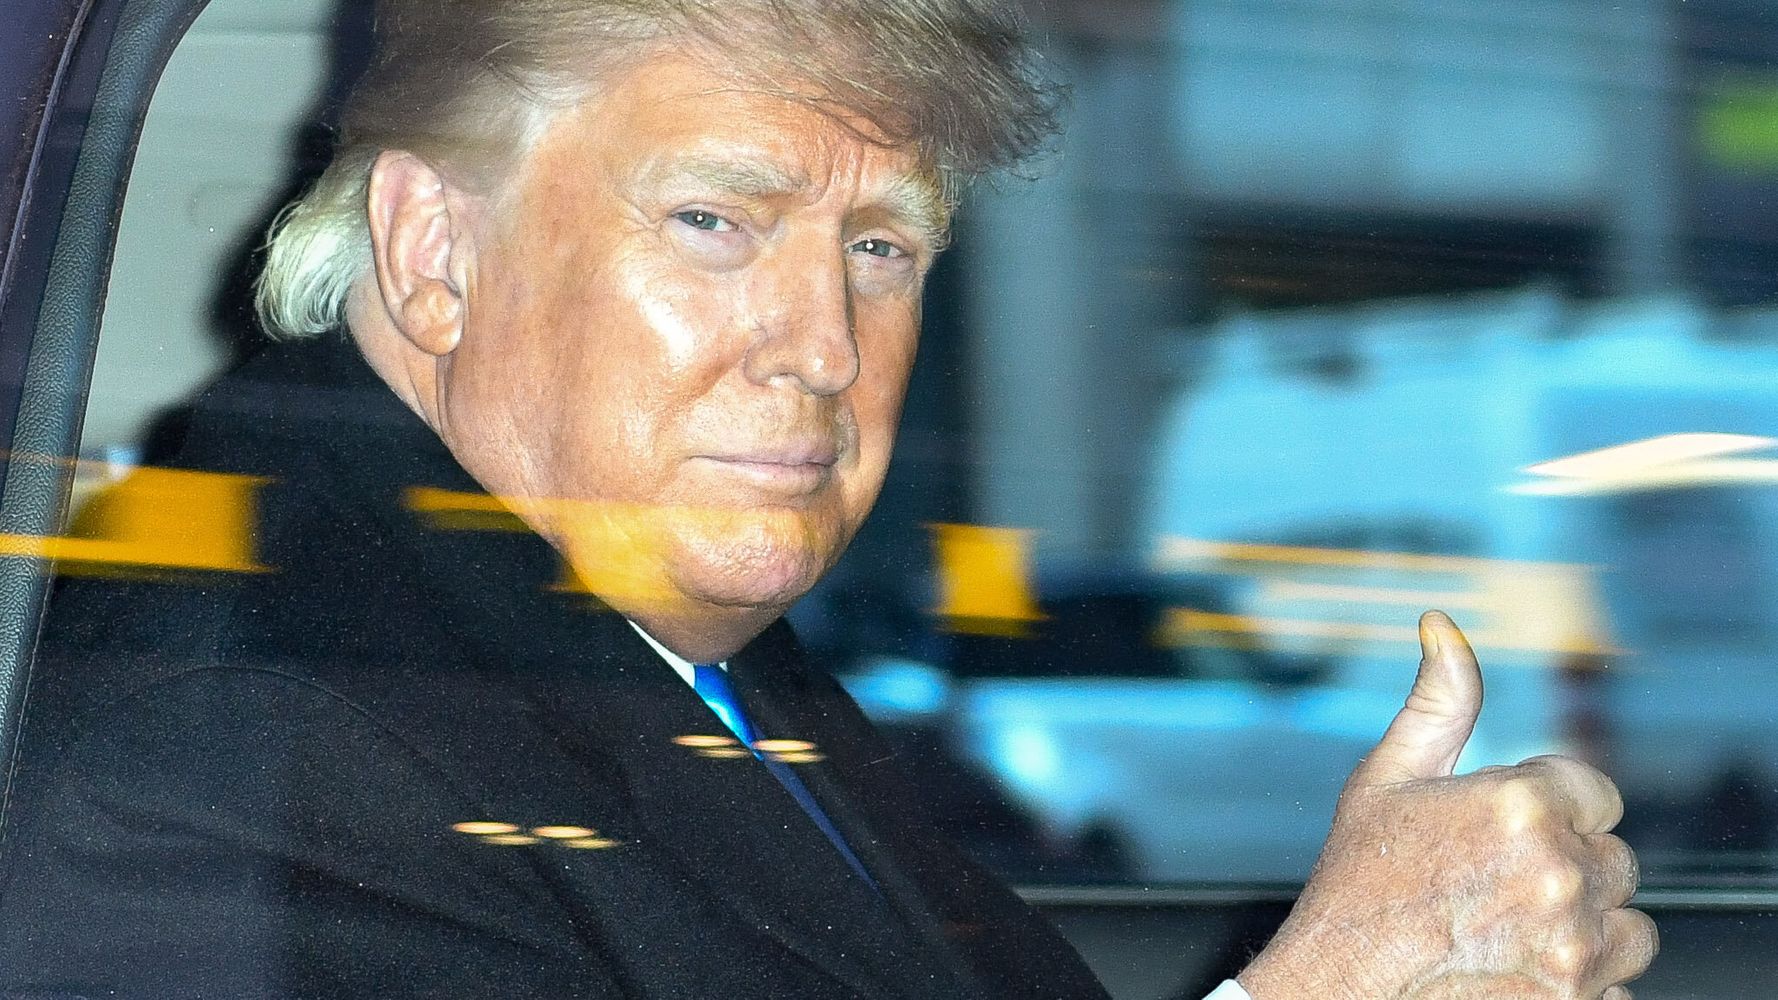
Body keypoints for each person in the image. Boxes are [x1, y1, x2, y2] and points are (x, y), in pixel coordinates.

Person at [0, 0, 1655, 997]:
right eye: (714, 223)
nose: (823, 346)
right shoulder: (240, 736)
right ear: (436, 253)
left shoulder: (645, 649)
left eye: (879, 247)